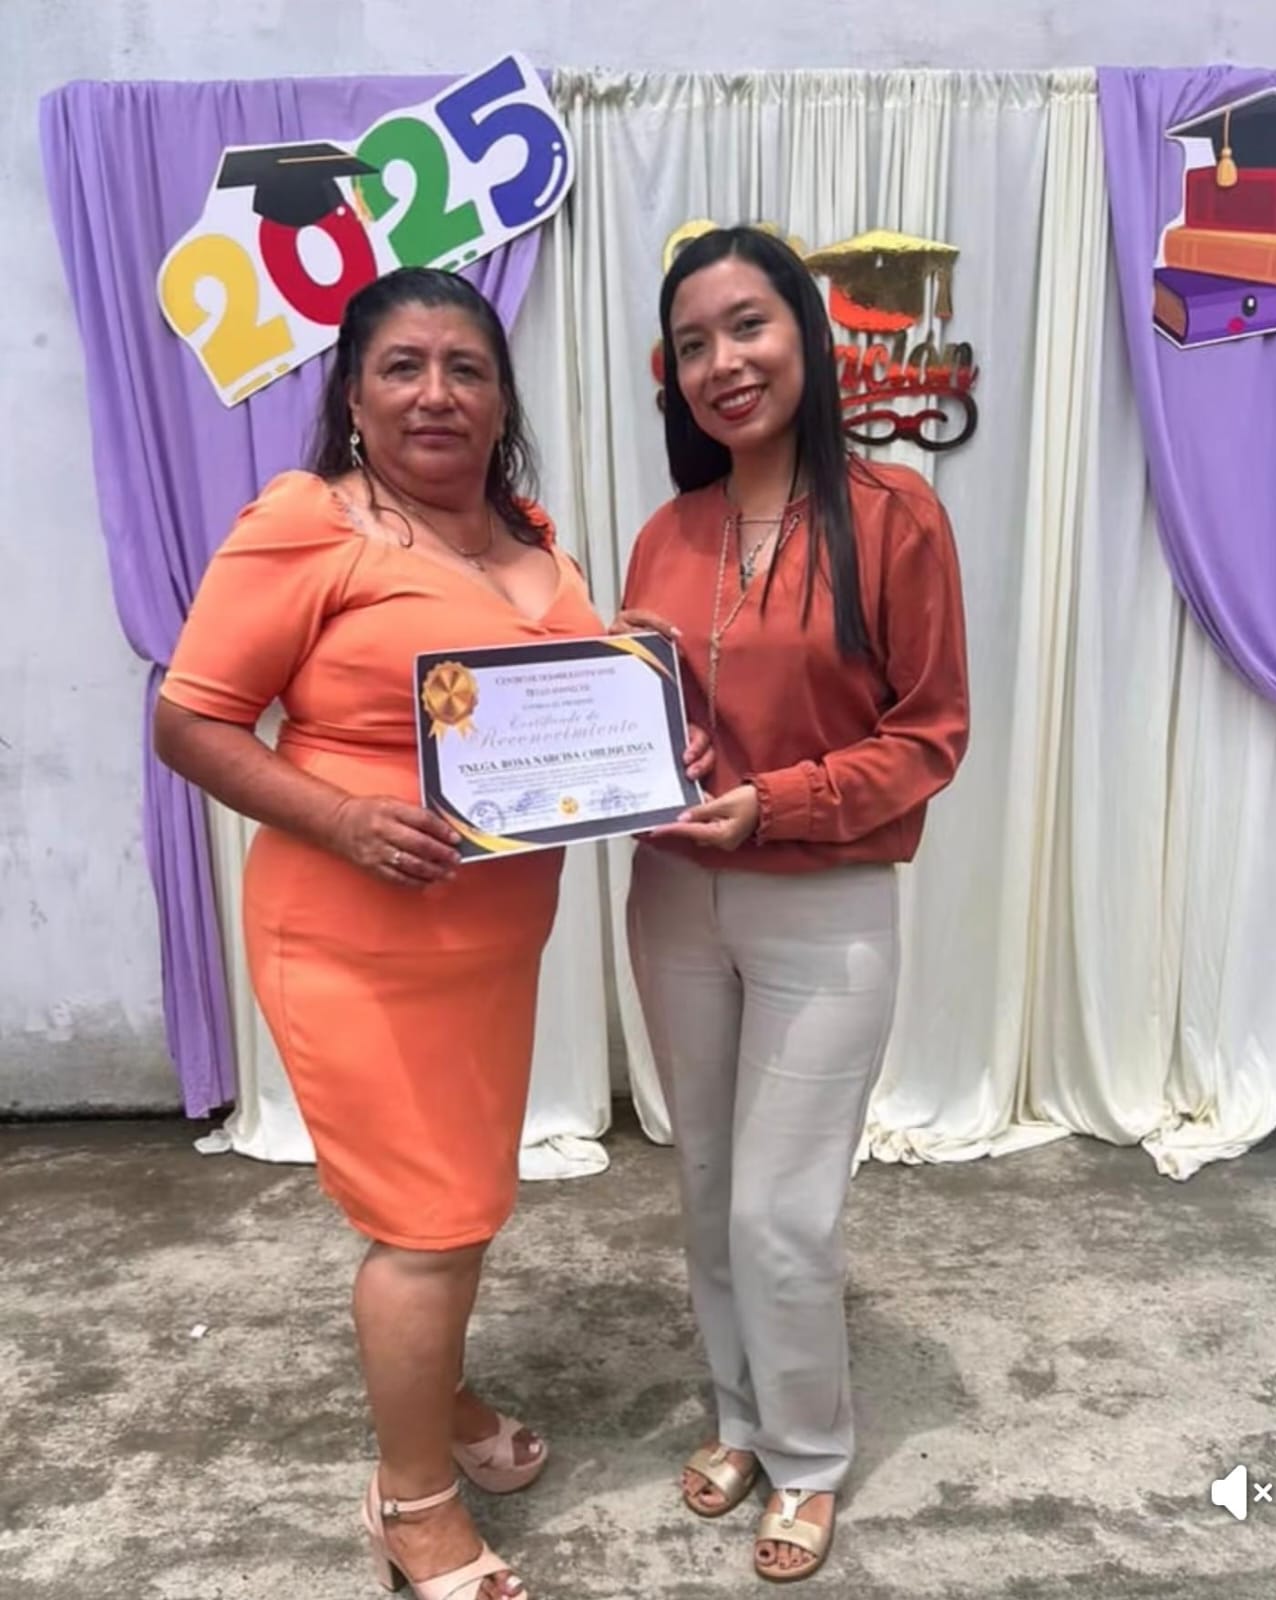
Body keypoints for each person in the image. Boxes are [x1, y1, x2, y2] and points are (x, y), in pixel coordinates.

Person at [156, 266, 707, 1600]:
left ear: (502, 400)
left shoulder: (532, 541)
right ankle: (412, 1504)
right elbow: (189, 720)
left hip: (491, 950)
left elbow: (558, 716)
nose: (436, 393)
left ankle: (438, 1394)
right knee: (429, 1223)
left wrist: (649, 722)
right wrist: (344, 820)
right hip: (352, 940)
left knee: (465, 1200)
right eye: (402, 366)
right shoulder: (310, 524)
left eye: (467, 368)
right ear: (352, 396)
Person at [618, 226, 970, 1583]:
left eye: (749, 326)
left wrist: (776, 801)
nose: (724, 361)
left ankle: (811, 1457)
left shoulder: (893, 515)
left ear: (807, 338)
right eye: (693, 342)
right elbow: (649, 720)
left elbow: (930, 736)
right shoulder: (666, 533)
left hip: (823, 903)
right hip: (673, 896)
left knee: (783, 1211)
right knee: (710, 1184)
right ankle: (741, 1419)